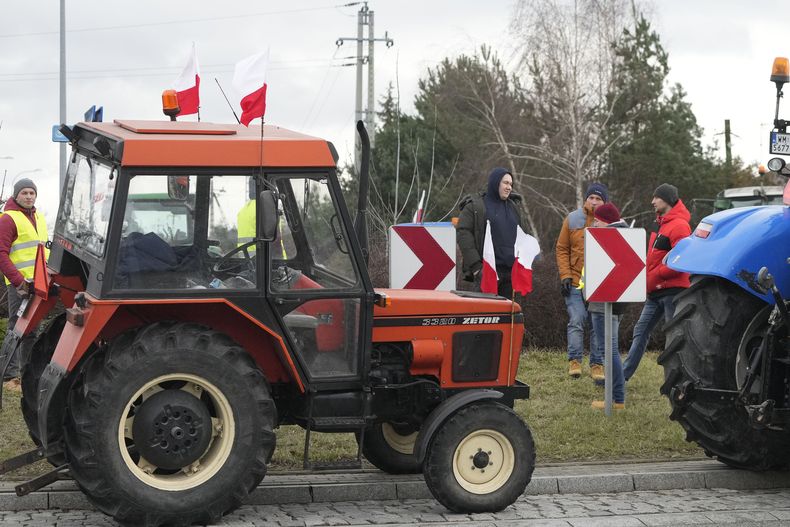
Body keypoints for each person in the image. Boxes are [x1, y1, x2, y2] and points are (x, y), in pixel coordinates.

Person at [622, 183, 691, 381]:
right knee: (640, 331)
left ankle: (678, 381)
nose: (652, 201)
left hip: (672, 293)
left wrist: (657, 274)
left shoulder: (679, 225)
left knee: (674, 338)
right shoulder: (664, 224)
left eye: (656, 197)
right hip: (656, 293)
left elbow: (682, 259)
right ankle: (622, 377)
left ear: (667, 200)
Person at [0, 178, 48, 390]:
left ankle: (26, 373)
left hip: (39, 284)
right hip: (20, 286)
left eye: (32, 193)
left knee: (32, 331)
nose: (29, 196)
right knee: (15, 329)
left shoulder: (38, 216)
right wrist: (19, 281)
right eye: (25, 193)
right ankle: (8, 376)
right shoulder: (8, 219)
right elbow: (1, 254)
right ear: (16, 195)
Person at [556, 182, 608, 379]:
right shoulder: (572, 218)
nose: (594, 202)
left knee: (597, 324)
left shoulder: (609, 222)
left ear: (605, 202)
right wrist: (565, 276)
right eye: (591, 198)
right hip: (576, 281)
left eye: (598, 199)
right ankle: (575, 361)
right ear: (586, 199)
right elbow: (561, 248)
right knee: (577, 319)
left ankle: (597, 364)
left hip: (599, 283)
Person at [579, 203, 628, 410]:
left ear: (606, 221)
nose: (594, 223)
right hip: (615, 303)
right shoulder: (623, 236)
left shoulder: (607, 239)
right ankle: (616, 397)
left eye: (597, 220)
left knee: (608, 350)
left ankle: (616, 399)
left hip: (603, 304)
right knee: (610, 349)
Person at [457, 167, 524, 298]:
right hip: (487, 274)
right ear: (495, 182)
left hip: (512, 276)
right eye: (505, 183)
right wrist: (476, 267)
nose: (509, 187)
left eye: (511, 184)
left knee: (508, 318)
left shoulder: (515, 208)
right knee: (486, 317)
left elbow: (524, 237)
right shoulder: (475, 206)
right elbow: (463, 233)